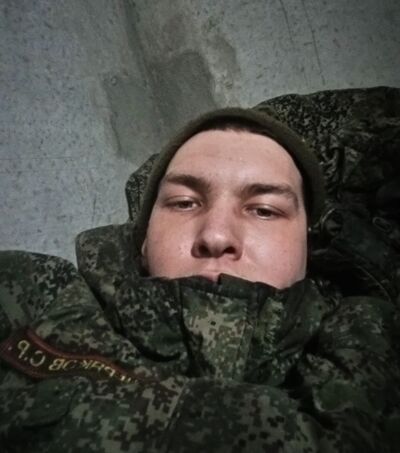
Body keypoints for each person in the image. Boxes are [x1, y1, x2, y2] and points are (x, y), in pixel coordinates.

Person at [0, 106, 399, 453]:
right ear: (143, 242)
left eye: (264, 210)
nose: (216, 235)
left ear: (306, 251)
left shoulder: (379, 351)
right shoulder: (30, 299)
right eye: (184, 203)